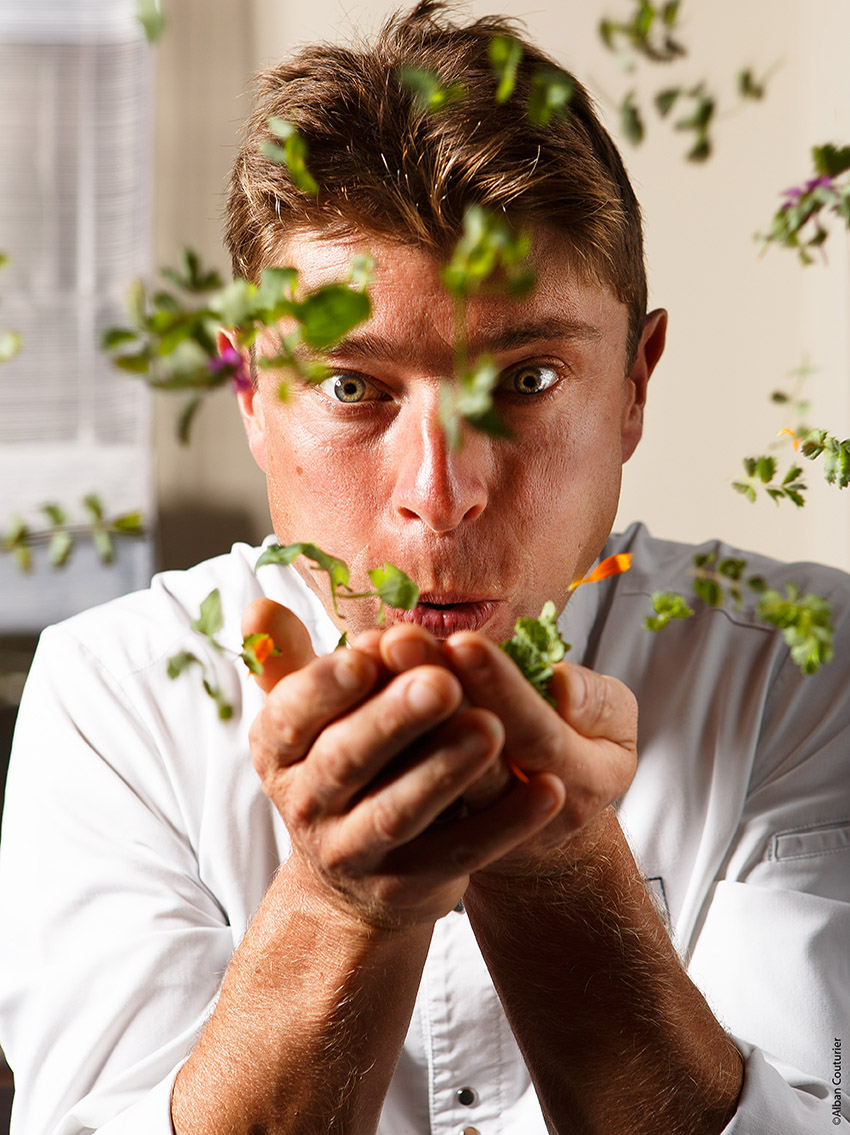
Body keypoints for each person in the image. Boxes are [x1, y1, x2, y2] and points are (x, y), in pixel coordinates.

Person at [0, 3, 848, 1132]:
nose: (441, 495)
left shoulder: (810, 668)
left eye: (528, 381)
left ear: (636, 384)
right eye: (353, 388)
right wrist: (338, 902)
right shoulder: (115, 697)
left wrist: (561, 873)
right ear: (252, 394)